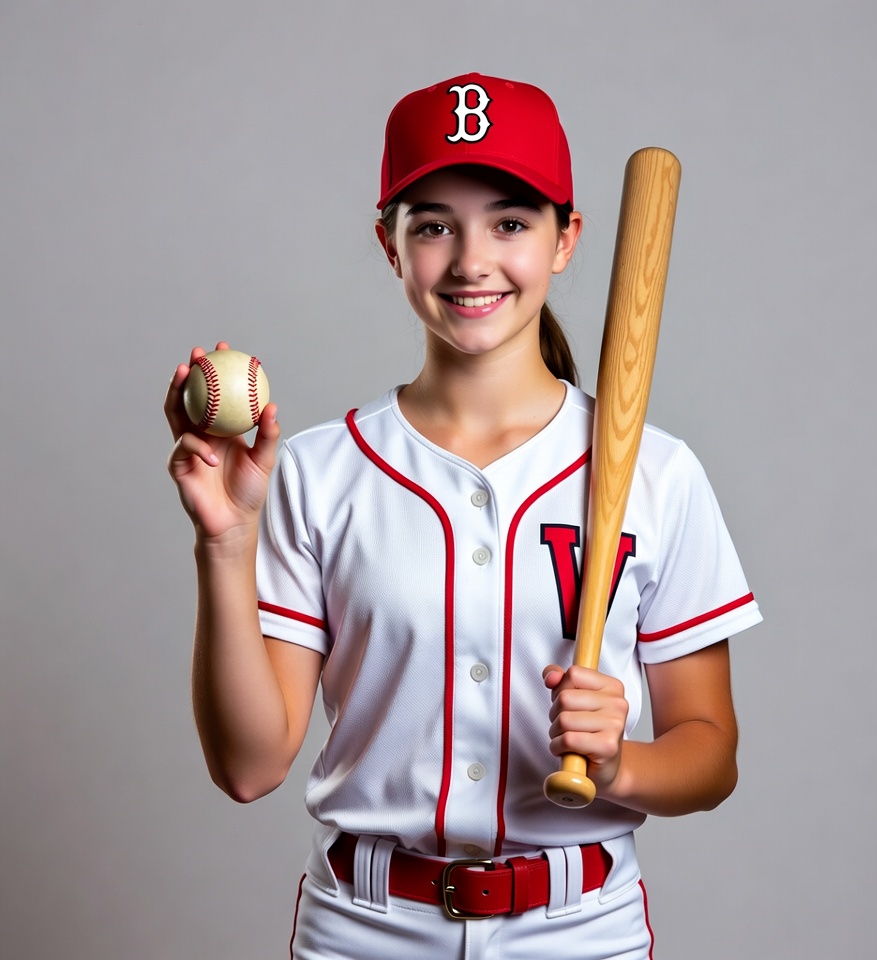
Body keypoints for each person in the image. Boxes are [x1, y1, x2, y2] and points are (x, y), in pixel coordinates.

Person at [165, 72, 762, 960]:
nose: (471, 260)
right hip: (366, 928)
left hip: (578, 932)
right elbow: (249, 768)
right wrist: (224, 541)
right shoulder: (322, 470)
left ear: (566, 239)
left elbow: (711, 755)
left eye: (511, 223)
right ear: (390, 244)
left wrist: (621, 763)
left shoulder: (659, 472)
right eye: (434, 224)